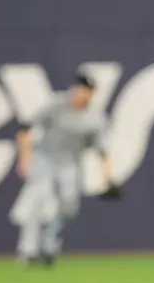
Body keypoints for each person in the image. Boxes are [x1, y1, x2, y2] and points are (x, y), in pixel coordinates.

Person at [10, 73, 120, 267]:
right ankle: (28, 251)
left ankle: (50, 244)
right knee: (38, 198)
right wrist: (25, 158)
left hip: (70, 162)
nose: (80, 93)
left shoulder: (95, 117)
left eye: (85, 90)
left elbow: (102, 151)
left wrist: (109, 179)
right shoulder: (56, 104)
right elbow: (25, 127)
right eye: (78, 88)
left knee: (69, 207)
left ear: (91, 94)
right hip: (45, 157)